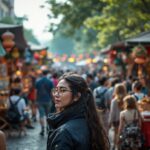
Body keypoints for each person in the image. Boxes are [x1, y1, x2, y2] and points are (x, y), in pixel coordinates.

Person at [47, 72, 110, 150]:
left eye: (63, 90)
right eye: (56, 90)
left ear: (77, 96)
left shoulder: (64, 132)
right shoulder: (89, 120)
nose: (56, 94)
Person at [35, 67, 54, 136]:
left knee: (41, 115)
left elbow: (36, 92)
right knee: (48, 115)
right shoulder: (50, 81)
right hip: (48, 100)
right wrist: (53, 99)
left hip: (40, 100)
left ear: (42, 74)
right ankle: (48, 128)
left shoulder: (38, 81)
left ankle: (42, 128)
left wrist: (35, 100)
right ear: (47, 74)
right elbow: (52, 92)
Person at [108, 83, 127, 150]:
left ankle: (116, 147)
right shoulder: (126, 100)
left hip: (116, 120)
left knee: (116, 134)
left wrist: (109, 122)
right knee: (124, 133)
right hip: (124, 119)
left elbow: (112, 113)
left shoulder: (114, 101)